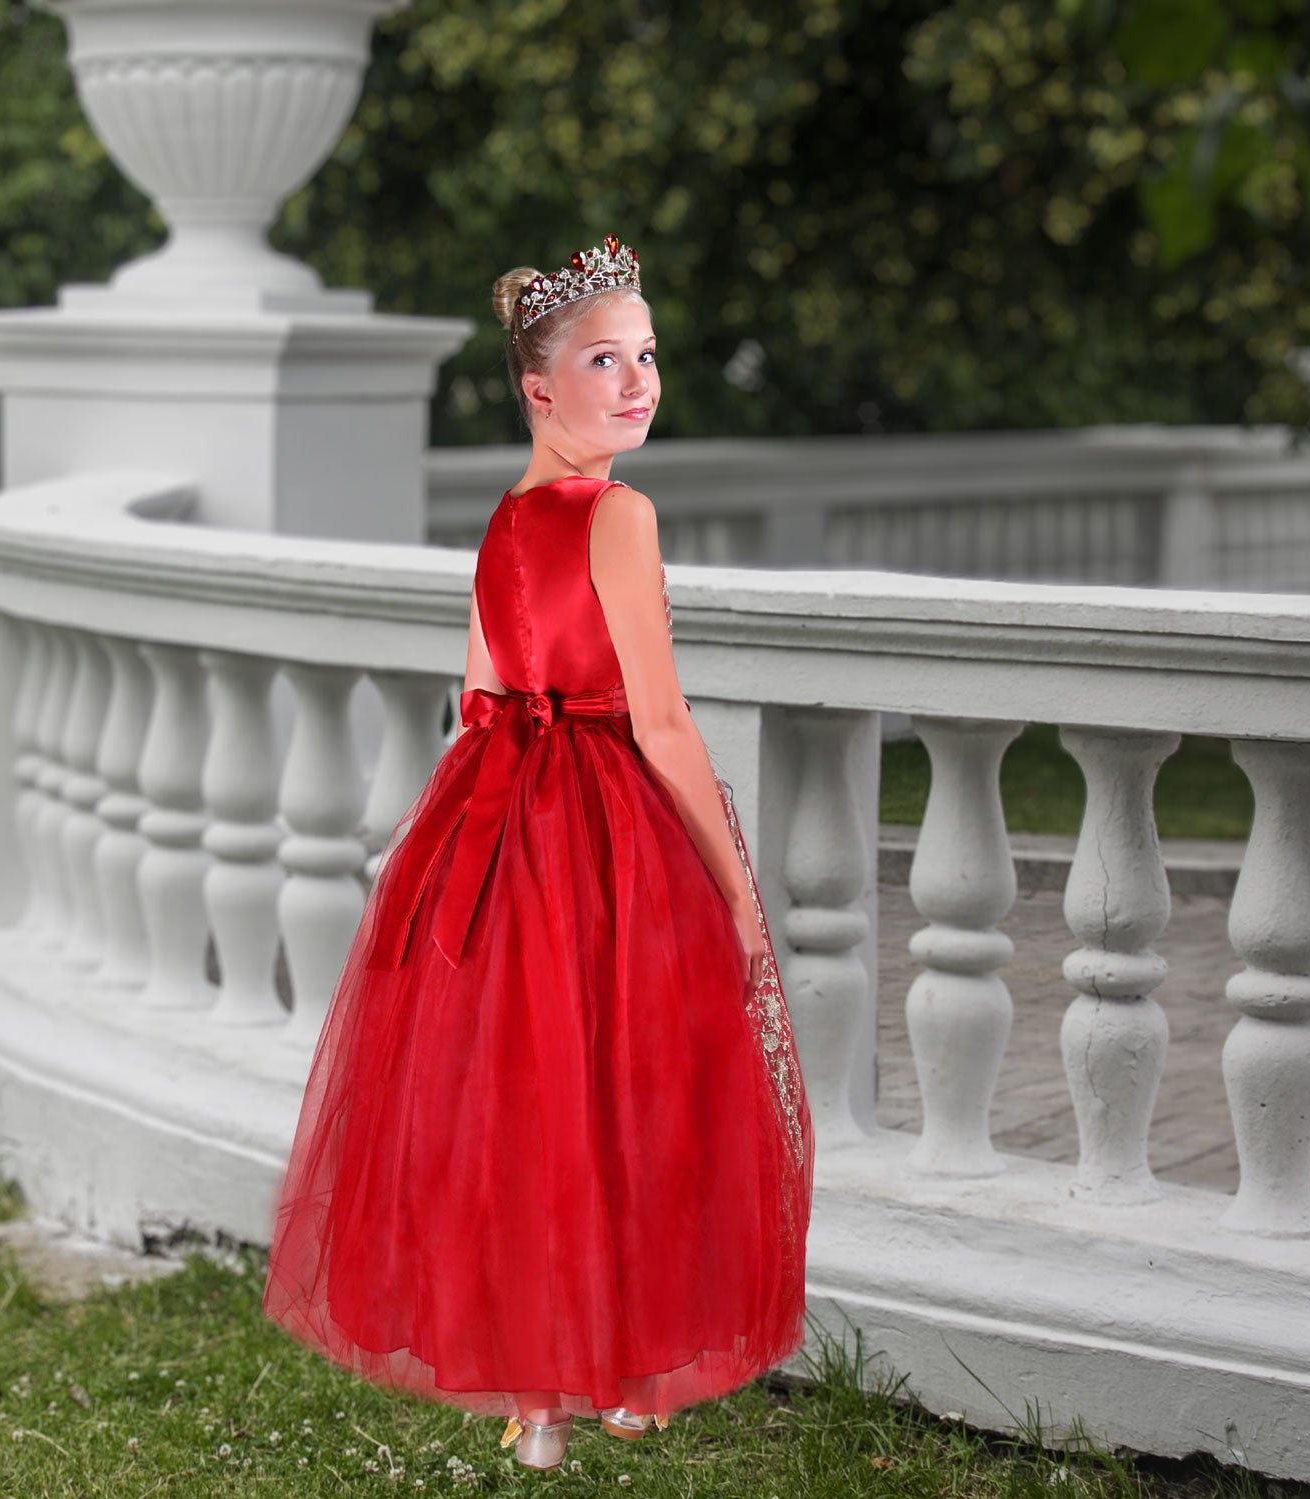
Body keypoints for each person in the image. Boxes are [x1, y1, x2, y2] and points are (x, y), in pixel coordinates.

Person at [260, 234, 815, 1472]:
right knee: (633, 1083)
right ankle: (615, 1374)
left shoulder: (505, 522)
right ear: (538, 388)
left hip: (498, 818)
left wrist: (469, 840)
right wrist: (732, 885)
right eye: (604, 360)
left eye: (649, 356)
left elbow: (479, 696)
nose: (637, 382)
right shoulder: (617, 514)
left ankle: (543, 1395)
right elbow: (664, 721)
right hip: (609, 819)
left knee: (522, 1097)